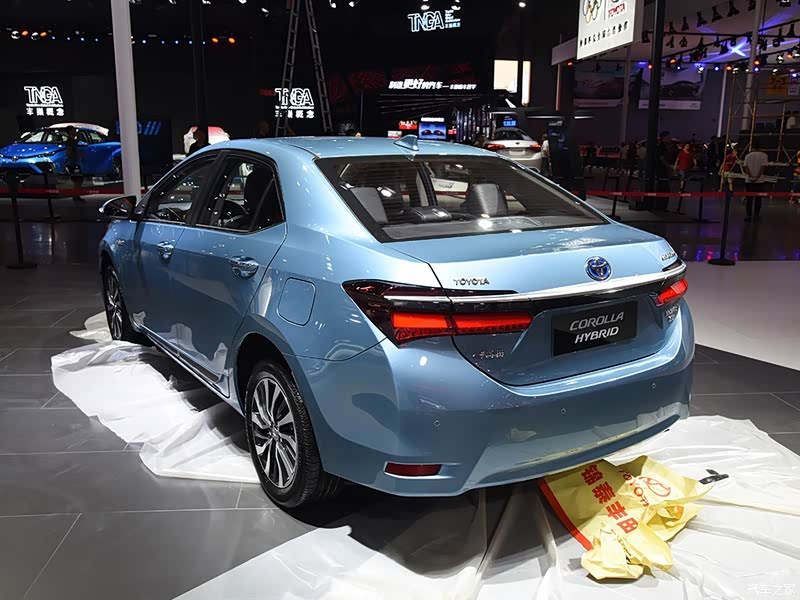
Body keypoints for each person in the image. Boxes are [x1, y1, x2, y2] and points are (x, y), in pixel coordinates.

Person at [742, 144, 769, 222]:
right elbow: (762, 168)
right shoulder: (764, 155)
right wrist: (757, 177)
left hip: (749, 180)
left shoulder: (748, 156)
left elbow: (746, 167)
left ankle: (748, 215)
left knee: (749, 199)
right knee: (758, 199)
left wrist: (751, 176)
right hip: (760, 181)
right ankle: (756, 215)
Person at [64, 126, 84, 202]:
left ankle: (76, 196)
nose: (75, 131)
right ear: (70, 132)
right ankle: (75, 196)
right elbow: (68, 153)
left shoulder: (74, 141)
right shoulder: (70, 142)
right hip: (72, 163)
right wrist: (77, 154)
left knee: (79, 180)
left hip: (75, 162)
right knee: (78, 180)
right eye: (74, 130)